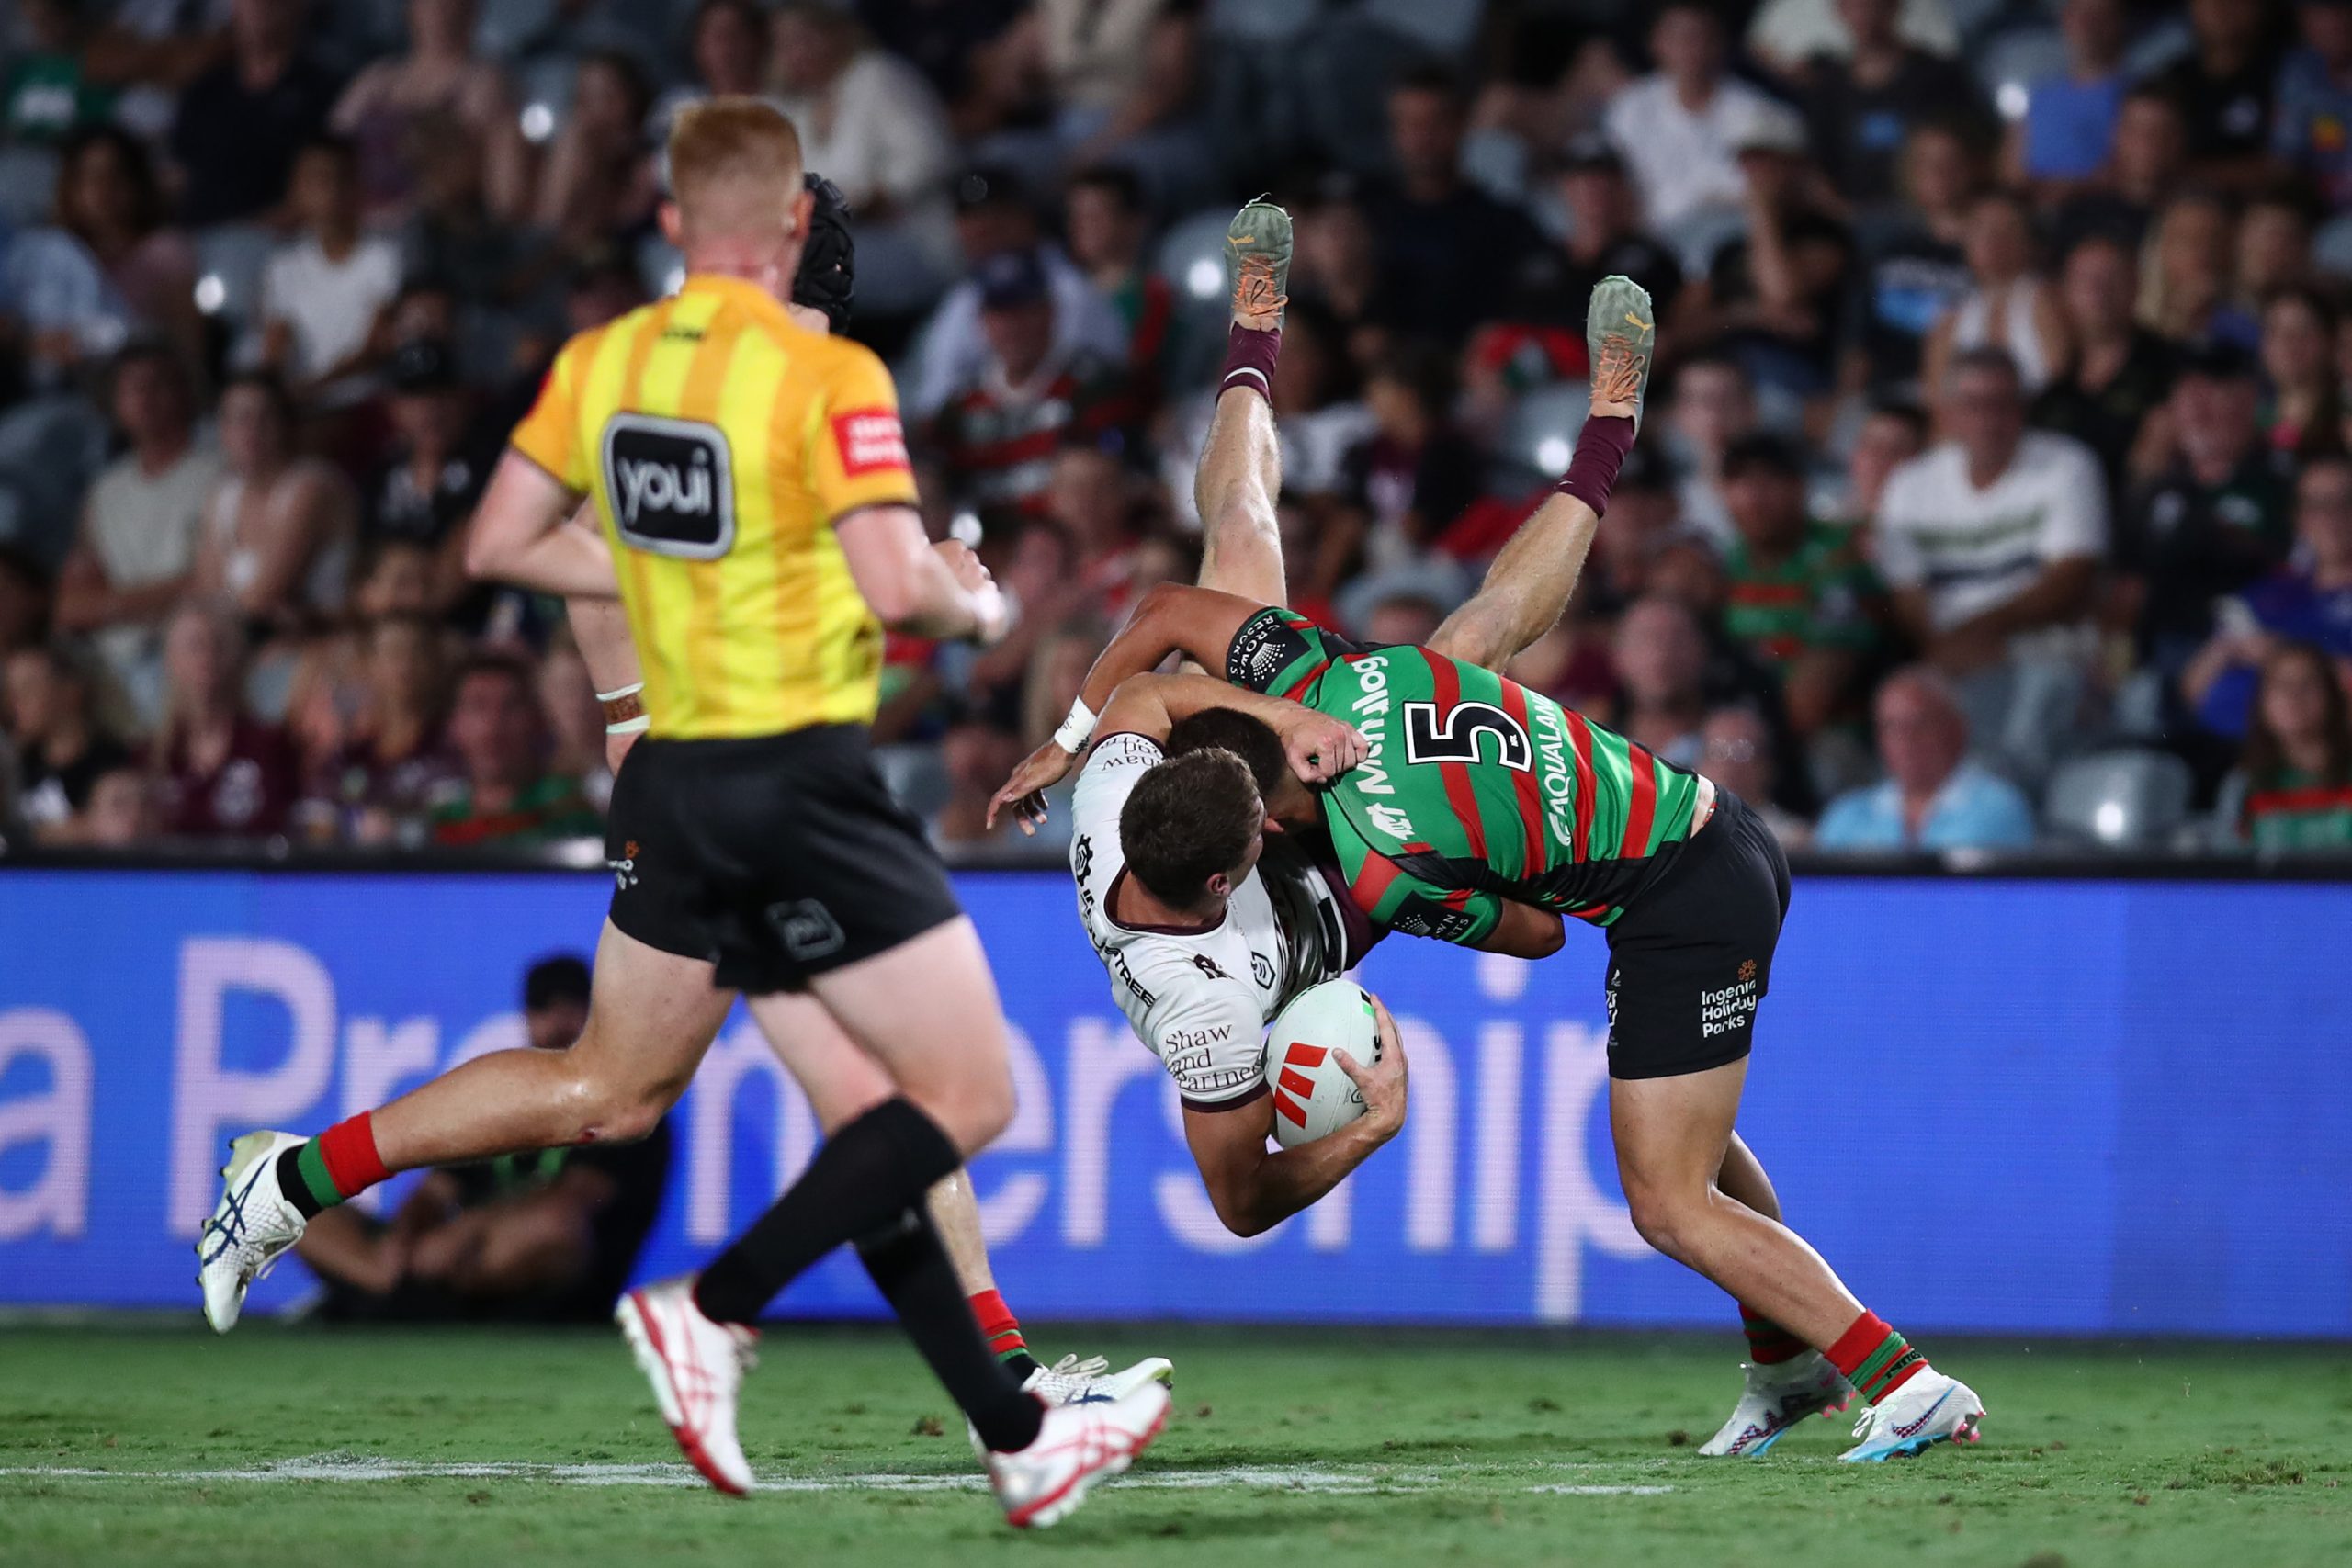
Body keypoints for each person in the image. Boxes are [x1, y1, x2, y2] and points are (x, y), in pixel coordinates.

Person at [195, 99, 1169, 1528]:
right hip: (746, 771)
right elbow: (864, 584)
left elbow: (526, 548)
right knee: (909, 1092)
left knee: (624, 1089)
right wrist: (961, 592)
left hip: (677, 773)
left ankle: (289, 1175)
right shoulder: (804, 386)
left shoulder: (625, 370)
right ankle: (902, 1370)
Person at [997, 249, 1985, 1464]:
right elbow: (1163, 646)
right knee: (1461, 631)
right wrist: (1081, 739)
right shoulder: (1343, 674)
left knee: (1666, 1198)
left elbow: (1539, 932)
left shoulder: (1365, 873)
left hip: (1684, 887)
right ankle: (1590, 426)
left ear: (1257, 837)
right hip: (1664, 815)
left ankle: (1904, 1379)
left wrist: (1440, 885)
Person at [293, 956, 674, 1323]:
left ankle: (380, 1301)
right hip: (448, 1260)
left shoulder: (623, 1107)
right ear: (527, 1018)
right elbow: (435, 1191)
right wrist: (404, 1236)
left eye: (573, 1008)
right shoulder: (508, 1097)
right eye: (544, 1009)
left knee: (553, 1225)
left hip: (539, 1278)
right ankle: (396, 1291)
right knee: (295, 1194)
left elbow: (573, 1201)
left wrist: (468, 1229)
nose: (559, 1022)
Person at [1875, 346, 2105, 780]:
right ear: (1948, 413)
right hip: (1946, 656)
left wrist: (1975, 635)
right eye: (1973, 405)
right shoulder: (1909, 485)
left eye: (2002, 403)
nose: (1988, 419)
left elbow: (2070, 579)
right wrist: (1948, 650)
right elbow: (1907, 598)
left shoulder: (2068, 466)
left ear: (2023, 409)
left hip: (2036, 646)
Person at [2115, 343, 2296, 686]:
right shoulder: (2158, 489)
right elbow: (2127, 583)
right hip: (2156, 652)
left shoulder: (2278, 483)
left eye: (2216, 396)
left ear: (2249, 403)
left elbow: (2282, 560)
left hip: (2241, 646)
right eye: (2188, 397)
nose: (2199, 411)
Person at [52, 342, 220, 708]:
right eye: (132, 388)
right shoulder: (104, 491)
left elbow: (212, 580)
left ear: (187, 393)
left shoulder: (218, 473)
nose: (145, 397)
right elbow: (70, 603)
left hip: (188, 650)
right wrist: (125, 606)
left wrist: (110, 606)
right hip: (112, 661)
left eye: (158, 384)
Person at [1717, 434, 1882, 738]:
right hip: (1743, 733)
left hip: (1828, 736)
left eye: (1769, 481)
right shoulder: (1726, 563)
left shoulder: (1837, 556)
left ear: (1800, 487)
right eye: (1740, 481)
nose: (1754, 498)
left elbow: (1817, 689)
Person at [2181, 454, 2352, 739]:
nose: (2331, 518)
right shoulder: (2270, 590)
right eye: (2317, 505)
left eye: (2345, 503)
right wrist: (2225, 650)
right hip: (2227, 747)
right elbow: (2192, 689)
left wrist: (2279, 654)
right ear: (2299, 519)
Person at [329, 0, 527, 228]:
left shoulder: (485, 83)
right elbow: (332, 143)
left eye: (450, 5)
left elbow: (470, 171)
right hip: (357, 221)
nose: (440, 15)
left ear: (472, 11)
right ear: (411, 10)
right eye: (430, 5)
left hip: (428, 226)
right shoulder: (378, 79)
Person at [190, 372, 356, 632]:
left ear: (286, 424)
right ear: (223, 430)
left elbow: (263, 596)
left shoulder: (312, 487)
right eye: (241, 418)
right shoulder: (223, 494)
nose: (252, 430)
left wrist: (225, 611)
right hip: (241, 639)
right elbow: (206, 589)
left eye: (265, 417)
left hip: (311, 641)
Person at [1603, 2, 1786, 231]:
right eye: (1679, 37)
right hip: (1650, 236)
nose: (1690, 48)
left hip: (1730, 236)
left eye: (1701, 37)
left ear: (1721, 43)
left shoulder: (1757, 111)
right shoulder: (1629, 109)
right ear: (1656, 43)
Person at [1814, 666, 2038, 850]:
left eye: (1920, 724)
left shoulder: (1998, 807)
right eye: (1892, 727)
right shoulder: (1846, 815)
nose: (1906, 740)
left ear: (1956, 730)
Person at [167, 0, 343, 227]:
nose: (259, 7)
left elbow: (329, 180)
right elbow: (178, 176)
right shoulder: (205, 89)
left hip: (281, 236)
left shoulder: (322, 91)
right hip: (197, 233)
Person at [258, 136, 404, 400]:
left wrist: (314, 388)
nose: (331, 189)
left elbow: (376, 349)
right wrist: (272, 393)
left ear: (358, 186)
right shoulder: (283, 266)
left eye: (341, 178)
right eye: (317, 179)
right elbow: (275, 348)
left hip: (367, 400)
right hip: (304, 403)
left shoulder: (385, 256)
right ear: (296, 190)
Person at [2028, 234, 2176, 488]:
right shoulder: (2048, 378)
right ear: (2064, 291)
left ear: (2136, 284)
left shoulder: (2170, 366)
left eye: (2112, 277)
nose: (2098, 289)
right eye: (2085, 279)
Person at [150, 600, 300, 840]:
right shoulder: (150, 759)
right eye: (195, 645)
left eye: (219, 644)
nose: (206, 656)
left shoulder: (271, 745)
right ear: (169, 659)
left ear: (240, 657)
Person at [423, 651, 600, 849]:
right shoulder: (438, 819)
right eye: (478, 706)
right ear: (452, 724)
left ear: (536, 720)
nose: (493, 725)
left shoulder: (569, 811)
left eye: (510, 706)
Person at [2216, 640, 2352, 849]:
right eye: (2280, 685)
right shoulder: (2243, 785)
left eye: (2307, 684)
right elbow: (2226, 860)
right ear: (2261, 702)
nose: (2293, 696)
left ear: (2331, 694)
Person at [2, 640, 130, 840]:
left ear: (71, 691)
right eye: (12, 692)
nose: (16, 703)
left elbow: (117, 829)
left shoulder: (114, 762)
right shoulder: (16, 766)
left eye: (28, 688)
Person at [2009, 0, 2130, 199]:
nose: (2087, 24)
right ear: (2065, 20)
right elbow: (2011, 173)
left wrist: (2070, 188)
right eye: (2078, 13)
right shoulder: (2038, 95)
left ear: (2117, 23)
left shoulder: (2134, 97)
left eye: (2099, 15)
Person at [2274, 0, 2352, 209]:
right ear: (2302, 19)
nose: (2336, 22)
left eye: (2344, 10)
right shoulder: (2300, 72)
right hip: (2322, 210)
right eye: (2322, 12)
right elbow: (2285, 163)